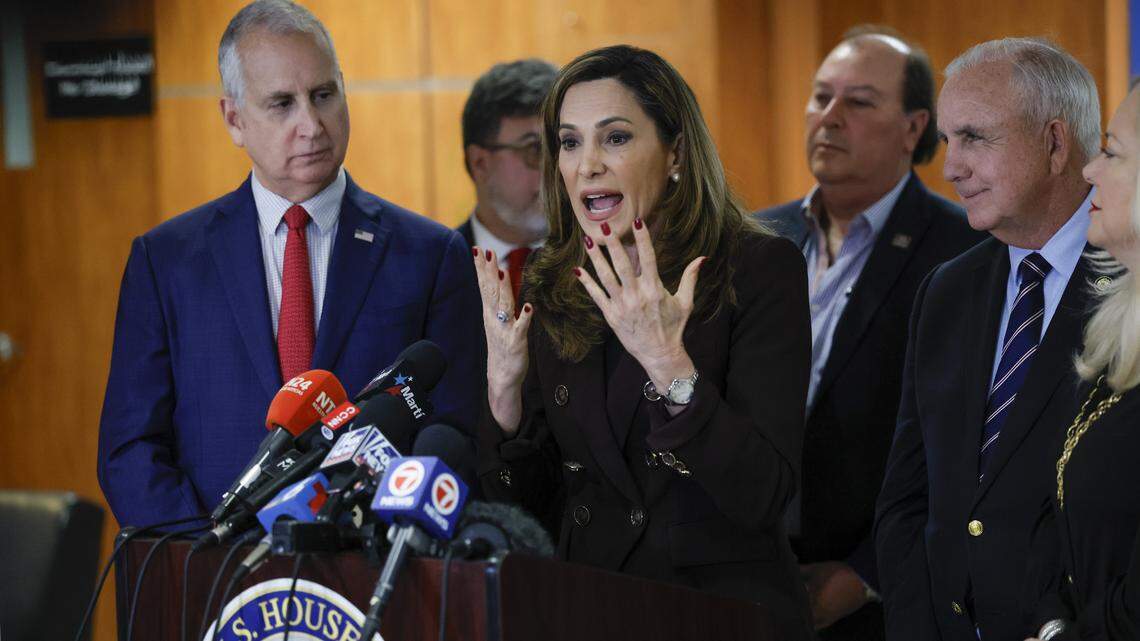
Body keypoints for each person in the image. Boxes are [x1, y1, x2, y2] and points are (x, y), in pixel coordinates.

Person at [97, 0, 481, 527]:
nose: (312, 124)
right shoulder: (166, 261)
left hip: (370, 564)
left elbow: (455, 431)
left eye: (323, 95)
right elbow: (131, 449)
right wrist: (207, 555)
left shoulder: (430, 254)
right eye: (282, 103)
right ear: (234, 119)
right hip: (210, 563)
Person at [475, 44, 813, 638]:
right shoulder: (553, 280)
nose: (588, 165)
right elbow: (532, 510)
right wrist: (504, 399)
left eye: (615, 138)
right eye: (570, 142)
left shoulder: (758, 269)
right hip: (589, 609)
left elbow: (764, 496)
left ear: (675, 152)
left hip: (715, 615)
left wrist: (667, 362)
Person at [756, 26, 982, 638]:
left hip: (883, 598)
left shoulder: (965, 251)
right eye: (820, 97)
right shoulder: (754, 239)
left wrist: (863, 575)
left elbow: (963, 450)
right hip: (749, 577)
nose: (829, 118)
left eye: (858, 102)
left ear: (914, 128)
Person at [874, 37, 1100, 641]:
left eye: (974, 137)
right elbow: (907, 499)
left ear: (1055, 143)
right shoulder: (946, 289)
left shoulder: (1129, 281)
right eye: (948, 140)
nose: (950, 167)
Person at [1023, 81, 1140, 641]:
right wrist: (1051, 625)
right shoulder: (1116, 328)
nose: (1090, 170)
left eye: (1112, 153)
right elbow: (1059, 515)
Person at [457, 59, 558, 304]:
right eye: (535, 149)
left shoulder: (602, 266)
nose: (556, 170)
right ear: (480, 163)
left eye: (565, 145)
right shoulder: (434, 268)